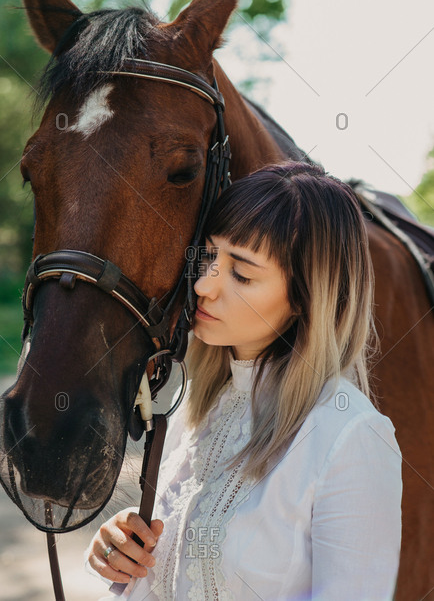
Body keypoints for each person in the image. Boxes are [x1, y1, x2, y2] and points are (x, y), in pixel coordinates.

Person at [86, 161, 402, 600]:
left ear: (304, 298)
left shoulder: (350, 436)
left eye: (242, 274)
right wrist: (118, 556)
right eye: (208, 256)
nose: (204, 286)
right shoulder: (196, 405)